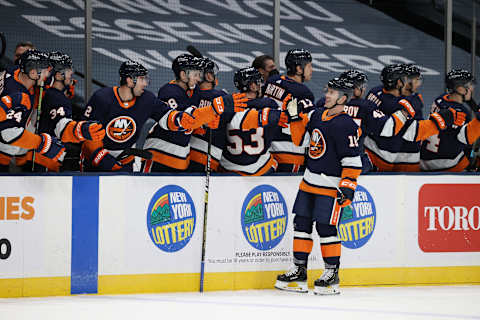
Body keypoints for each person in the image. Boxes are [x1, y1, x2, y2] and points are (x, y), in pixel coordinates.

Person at [275, 78, 361, 295]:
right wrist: (295, 118)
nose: (327, 95)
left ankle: (332, 273)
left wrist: (348, 188)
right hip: (308, 182)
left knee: (326, 228)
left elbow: (352, 160)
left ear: (342, 99)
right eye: (328, 90)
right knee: (301, 224)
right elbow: (300, 141)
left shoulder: (346, 124)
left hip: (330, 187)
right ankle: (299, 270)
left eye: (332, 92)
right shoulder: (315, 115)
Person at [81, 60, 215, 172]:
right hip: (96, 160)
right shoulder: (102, 98)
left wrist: (182, 119)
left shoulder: (147, 99)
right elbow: (88, 137)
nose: (146, 83)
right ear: (129, 80)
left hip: (125, 160)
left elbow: (167, 117)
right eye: (142, 79)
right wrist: (106, 162)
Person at [142, 54, 247, 172]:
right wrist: (213, 110)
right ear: (183, 75)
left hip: (180, 157)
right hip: (158, 154)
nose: (198, 78)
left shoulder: (193, 91)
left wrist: (207, 120)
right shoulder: (169, 91)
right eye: (195, 74)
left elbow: (201, 110)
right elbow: (184, 121)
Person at [364, 64, 465, 171]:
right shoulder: (405, 104)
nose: (414, 84)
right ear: (399, 83)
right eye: (408, 80)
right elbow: (413, 133)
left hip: (370, 149)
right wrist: (441, 120)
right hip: (397, 157)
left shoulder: (375, 91)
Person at [24, 51, 104, 171]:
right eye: (67, 70)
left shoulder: (45, 92)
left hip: (34, 153)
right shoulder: (56, 97)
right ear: (58, 75)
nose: (71, 73)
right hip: (46, 159)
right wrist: (82, 129)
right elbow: (61, 127)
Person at [219, 67, 288, 175]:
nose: (261, 85)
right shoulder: (268, 104)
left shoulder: (228, 105)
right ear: (253, 86)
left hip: (229, 167)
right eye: (258, 82)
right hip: (260, 168)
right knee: (273, 161)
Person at [263, 49, 315, 173]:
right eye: (309, 66)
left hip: (267, 149)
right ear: (298, 69)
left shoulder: (272, 81)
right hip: (290, 152)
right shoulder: (302, 92)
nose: (311, 70)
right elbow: (309, 125)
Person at [0, 49, 52, 170]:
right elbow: (8, 134)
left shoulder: (15, 71)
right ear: (33, 73)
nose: (47, 75)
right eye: (44, 71)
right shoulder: (18, 97)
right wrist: (41, 143)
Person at [420, 69, 480, 171]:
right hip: (445, 162)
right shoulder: (461, 113)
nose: (472, 89)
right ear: (460, 89)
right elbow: (466, 141)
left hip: (424, 156)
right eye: (470, 86)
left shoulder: (440, 99)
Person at [188, 57, 226, 172]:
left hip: (187, 151)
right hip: (210, 153)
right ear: (209, 76)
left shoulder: (190, 95)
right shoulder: (221, 96)